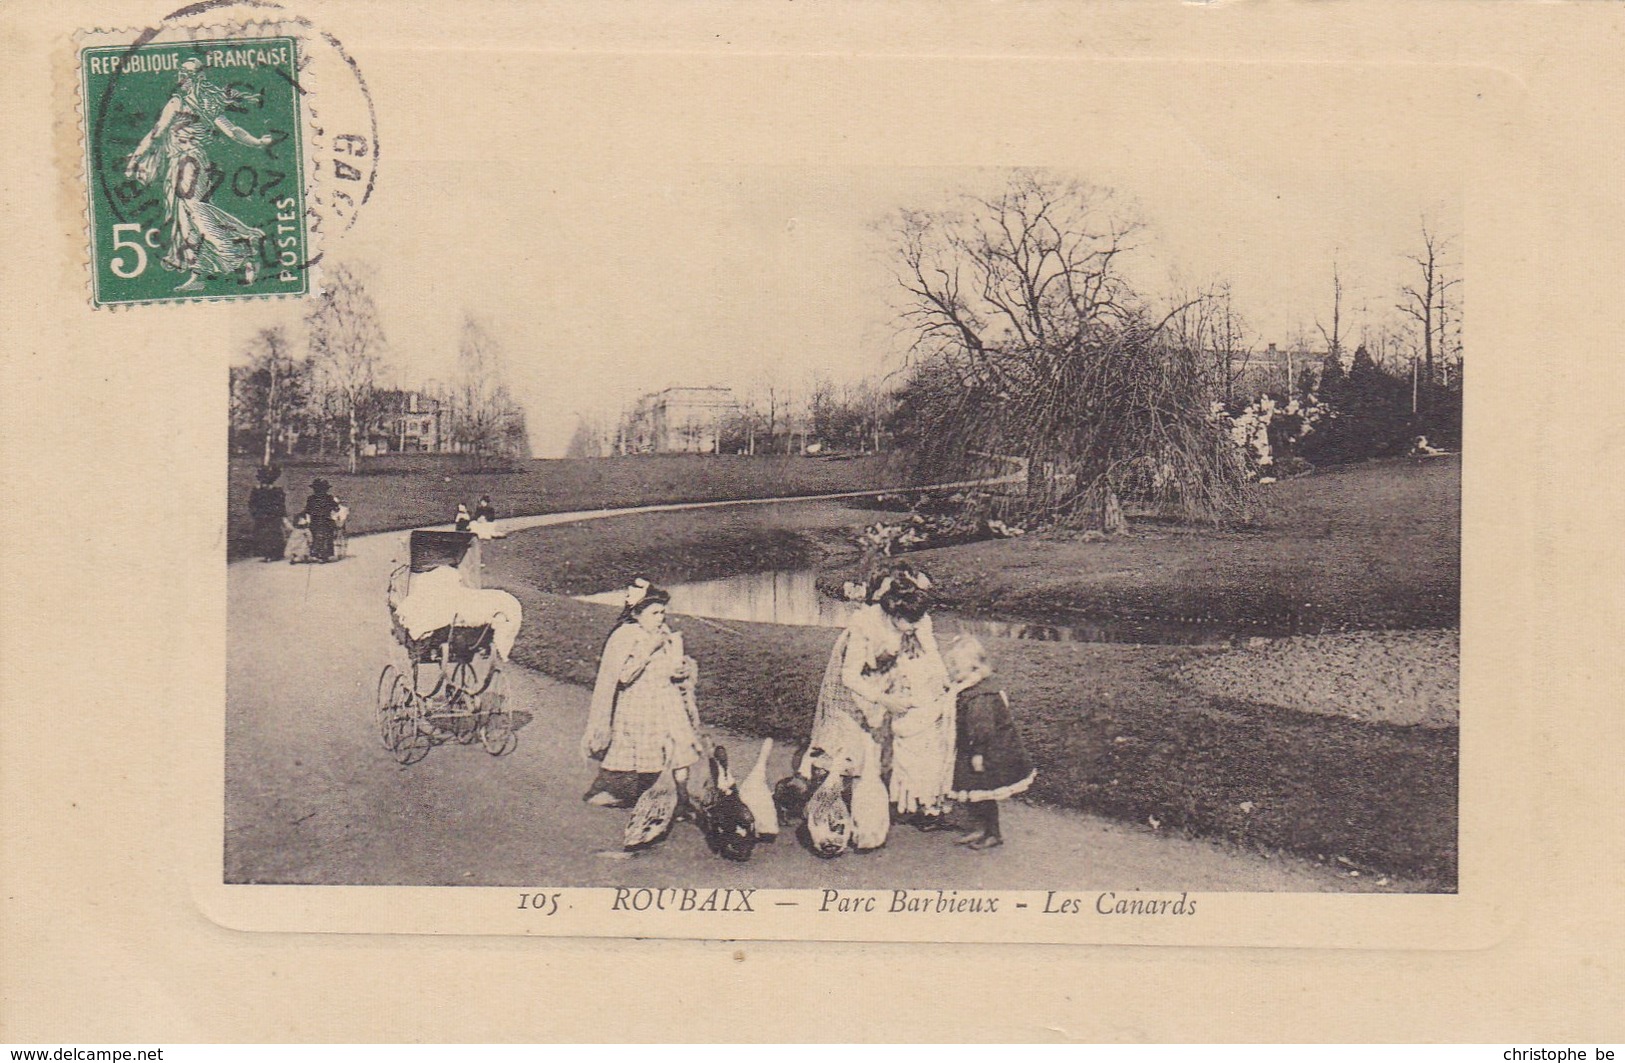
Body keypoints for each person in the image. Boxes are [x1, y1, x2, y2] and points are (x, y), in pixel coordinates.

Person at [808, 564, 953, 831]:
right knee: (848, 739)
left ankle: (873, 803)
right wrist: (882, 699)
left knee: (878, 741)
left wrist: (944, 681)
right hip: (853, 679)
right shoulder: (864, 624)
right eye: (908, 624)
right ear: (893, 613)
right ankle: (829, 805)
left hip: (885, 673)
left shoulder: (917, 618)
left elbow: (930, 651)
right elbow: (849, 676)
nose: (913, 628)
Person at [122, 59, 276, 291]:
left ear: (198, 77)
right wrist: (136, 157)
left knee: (196, 210)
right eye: (181, 72)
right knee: (184, 219)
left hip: (190, 162)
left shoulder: (191, 103)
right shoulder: (190, 102)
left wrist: (257, 143)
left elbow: (231, 131)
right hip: (178, 163)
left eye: (186, 73)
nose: (181, 77)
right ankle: (199, 272)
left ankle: (242, 250)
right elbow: (157, 133)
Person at [579, 579, 704, 811]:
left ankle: (682, 800)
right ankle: (644, 797)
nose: (661, 618)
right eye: (655, 613)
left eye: (663, 613)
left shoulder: (663, 632)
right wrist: (649, 649)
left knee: (680, 750)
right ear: (637, 614)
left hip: (667, 700)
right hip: (639, 703)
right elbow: (624, 676)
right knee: (646, 756)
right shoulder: (627, 635)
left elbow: (669, 665)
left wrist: (680, 670)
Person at [944, 636, 1035, 851]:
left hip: (987, 751)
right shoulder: (972, 687)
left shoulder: (980, 696)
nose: (953, 670)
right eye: (952, 666)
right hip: (975, 747)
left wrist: (978, 753)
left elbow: (982, 728)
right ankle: (979, 827)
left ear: (974, 666)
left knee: (983, 792)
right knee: (970, 788)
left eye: (957, 666)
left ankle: (993, 832)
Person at [247, 465, 287, 562]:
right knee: (263, 535)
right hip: (261, 516)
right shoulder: (256, 491)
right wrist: (255, 513)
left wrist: (281, 515)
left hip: (273, 516)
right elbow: (252, 503)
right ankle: (266, 554)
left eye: (268, 481)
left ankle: (275, 554)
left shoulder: (277, 490)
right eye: (263, 481)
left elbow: (280, 504)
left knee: (273, 534)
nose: (265, 484)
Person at [303, 479, 341, 563]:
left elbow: (307, 510)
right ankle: (325, 553)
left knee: (316, 535)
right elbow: (336, 508)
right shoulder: (329, 498)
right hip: (325, 520)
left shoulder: (311, 498)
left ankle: (316, 553)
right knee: (326, 534)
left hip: (315, 521)